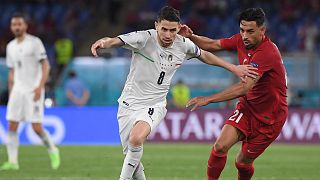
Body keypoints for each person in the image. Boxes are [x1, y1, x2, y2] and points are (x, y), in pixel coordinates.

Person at [91, 6, 257, 180]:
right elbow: (114, 40)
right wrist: (104, 43)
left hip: (154, 105)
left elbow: (205, 55)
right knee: (132, 156)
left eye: (172, 30)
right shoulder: (143, 38)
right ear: (156, 26)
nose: (168, 35)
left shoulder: (183, 44)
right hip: (127, 104)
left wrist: (233, 68)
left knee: (135, 140)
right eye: (164, 29)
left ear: (178, 28)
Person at [183, 8, 288, 179]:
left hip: (270, 118)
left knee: (242, 162)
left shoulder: (267, 52)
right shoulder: (241, 41)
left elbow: (244, 87)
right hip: (247, 108)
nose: (244, 35)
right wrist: (191, 37)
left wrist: (208, 99)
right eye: (242, 30)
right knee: (219, 147)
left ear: (263, 30)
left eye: (250, 31)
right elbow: (213, 44)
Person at [0, 13, 60, 170]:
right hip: (17, 92)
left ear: (25, 26)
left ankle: (53, 150)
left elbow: (46, 66)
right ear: (11, 27)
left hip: (33, 90)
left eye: (19, 24)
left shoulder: (35, 43)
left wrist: (40, 87)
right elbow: (12, 71)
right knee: (12, 125)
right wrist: (12, 90)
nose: (17, 27)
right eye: (14, 25)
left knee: (36, 128)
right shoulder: (10, 46)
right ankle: (13, 162)